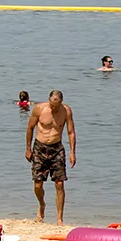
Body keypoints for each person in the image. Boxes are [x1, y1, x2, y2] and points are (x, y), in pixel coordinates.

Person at [24, 89, 75, 224]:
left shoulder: (66, 111)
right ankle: (42, 205)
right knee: (38, 185)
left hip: (57, 148)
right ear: (49, 100)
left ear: (61, 102)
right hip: (40, 147)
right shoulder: (39, 109)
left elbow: (71, 132)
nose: (54, 107)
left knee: (59, 183)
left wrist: (72, 152)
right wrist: (28, 149)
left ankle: (59, 218)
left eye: (57, 105)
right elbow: (30, 128)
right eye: (52, 104)